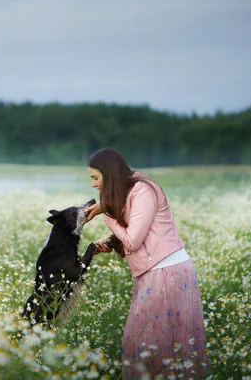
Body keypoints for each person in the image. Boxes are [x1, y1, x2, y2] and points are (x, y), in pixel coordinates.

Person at [84, 148, 210, 379]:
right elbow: (137, 231)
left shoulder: (143, 190)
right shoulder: (129, 192)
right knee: (148, 344)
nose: (93, 184)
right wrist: (112, 242)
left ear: (109, 175)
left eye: (95, 177)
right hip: (155, 273)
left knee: (149, 344)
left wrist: (108, 215)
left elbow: (133, 239)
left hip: (167, 272)